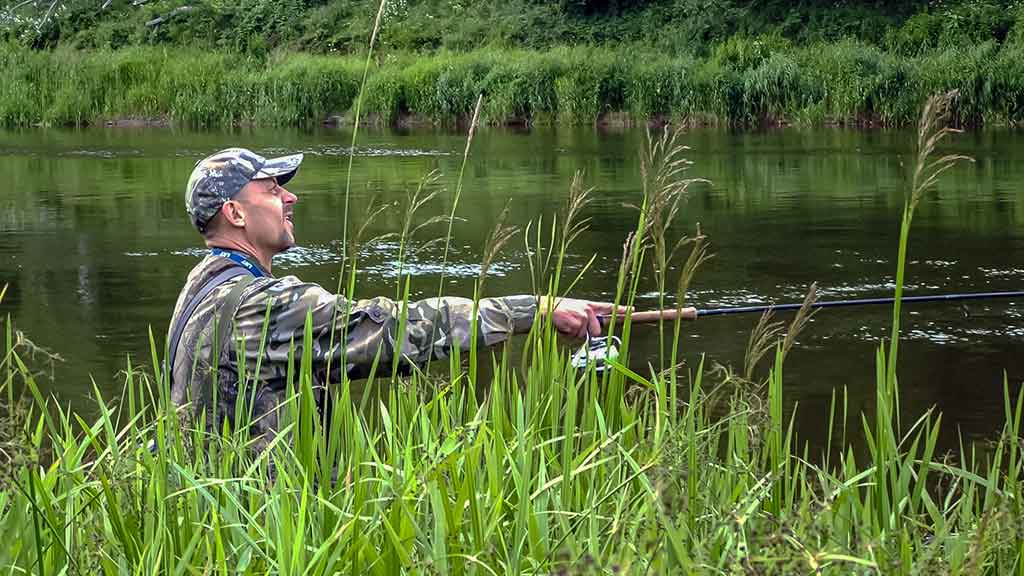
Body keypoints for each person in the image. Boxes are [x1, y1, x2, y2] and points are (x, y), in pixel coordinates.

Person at [168, 147, 621, 448]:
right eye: (272, 189)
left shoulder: (200, 286)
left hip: (225, 517)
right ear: (235, 213)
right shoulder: (261, 305)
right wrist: (535, 311)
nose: (291, 197)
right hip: (261, 527)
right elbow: (396, 330)